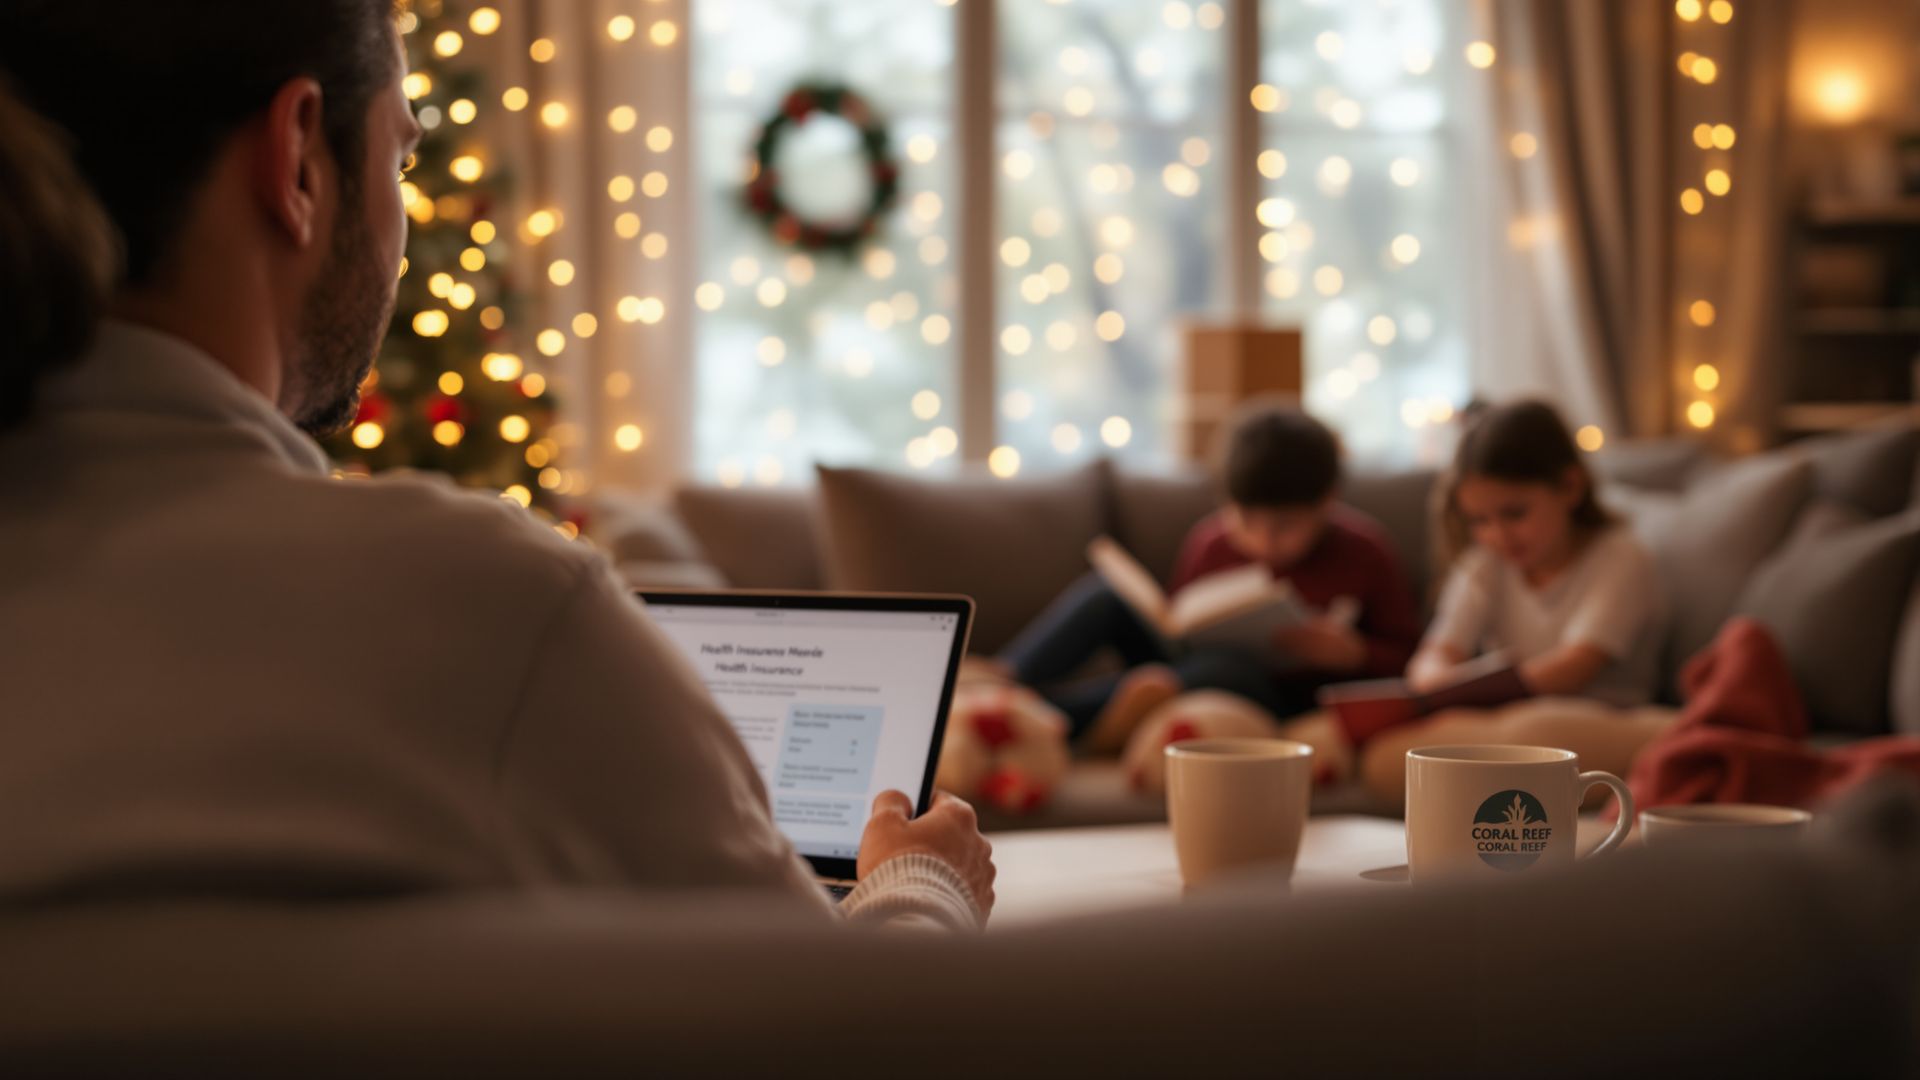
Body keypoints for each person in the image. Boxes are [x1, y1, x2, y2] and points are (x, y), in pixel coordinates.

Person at [0, 2, 991, 929]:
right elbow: (831, 1024)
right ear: (297, 160)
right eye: (399, 158)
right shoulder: (489, 608)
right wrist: (920, 882)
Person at [998, 404, 1422, 752]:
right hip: (1186, 669)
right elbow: (1181, 622)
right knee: (1104, 597)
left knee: (1226, 668)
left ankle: (1044, 716)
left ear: (1328, 501)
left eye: (1285, 526)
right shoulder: (1211, 542)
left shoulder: (1365, 550)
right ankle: (1005, 680)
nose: (1264, 540)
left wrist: (1355, 654)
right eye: (1246, 520)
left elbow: (1408, 659)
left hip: (1277, 695)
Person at [1354, 400, 1673, 805]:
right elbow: (1434, 654)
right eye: (1480, 521)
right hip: (1506, 716)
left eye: (1515, 513)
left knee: (1536, 731)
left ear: (1570, 487)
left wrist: (1465, 694)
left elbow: (1574, 668)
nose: (1498, 536)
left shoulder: (1621, 557)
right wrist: (1435, 684)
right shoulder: (1485, 565)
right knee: (1387, 749)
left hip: (1597, 714)